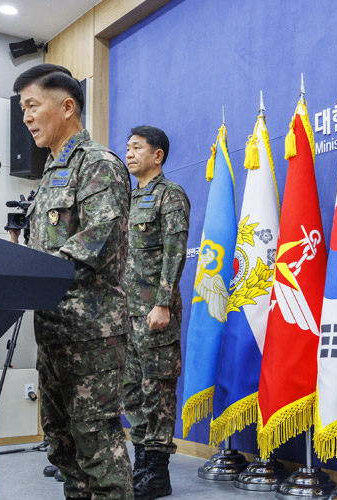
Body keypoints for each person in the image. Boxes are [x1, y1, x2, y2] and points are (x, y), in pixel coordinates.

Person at [12, 64, 133, 500]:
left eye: (32, 105)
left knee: (97, 445)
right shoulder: (49, 174)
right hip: (53, 329)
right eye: (22, 107)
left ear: (67, 106)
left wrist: (29, 274)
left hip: (91, 334)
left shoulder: (98, 164)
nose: (25, 116)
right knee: (61, 444)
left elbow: (97, 241)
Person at [122, 126, 189, 500]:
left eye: (137, 148)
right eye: (128, 148)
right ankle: (140, 463)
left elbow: (175, 251)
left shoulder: (170, 196)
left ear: (157, 155)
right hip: (128, 314)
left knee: (157, 391)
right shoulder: (130, 199)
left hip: (154, 312)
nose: (129, 153)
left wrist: (162, 302)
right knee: (133, 392)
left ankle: (157, 473)